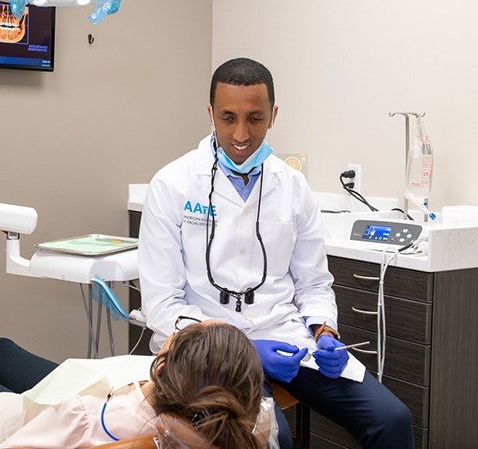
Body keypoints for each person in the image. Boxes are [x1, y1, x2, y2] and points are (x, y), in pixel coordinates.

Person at [138, 57, 414, 448]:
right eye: (228, 117)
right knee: (271, 435)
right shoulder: (172, 184)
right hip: (208, 350)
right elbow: (162, 305)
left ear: (273, 115)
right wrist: (243, 349)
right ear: (210, 114)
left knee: (392, 419)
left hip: (286, 340)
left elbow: (314, 283)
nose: (240, 133)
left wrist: (324, 331)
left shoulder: (294, 186)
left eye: (255, 118)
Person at [0, 322, 273, 449]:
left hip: (8, 419)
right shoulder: (251, 424)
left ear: (161, 371)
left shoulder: (83, 420)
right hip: (91, 385)